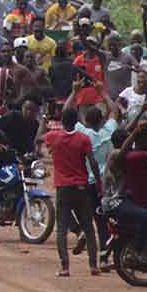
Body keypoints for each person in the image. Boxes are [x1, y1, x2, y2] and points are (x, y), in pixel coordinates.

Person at [42, 108, 101, 277]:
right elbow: (93, 162)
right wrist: (99, 183)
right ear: (77, 121)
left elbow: (39, 138)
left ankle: (65, 267)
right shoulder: (83, 139)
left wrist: (44, 121)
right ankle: (93, 265)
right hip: (81, 186)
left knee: (62, 228)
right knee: (88, 226)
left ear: (62, 120)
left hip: (63, 187)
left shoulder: (54, 137)